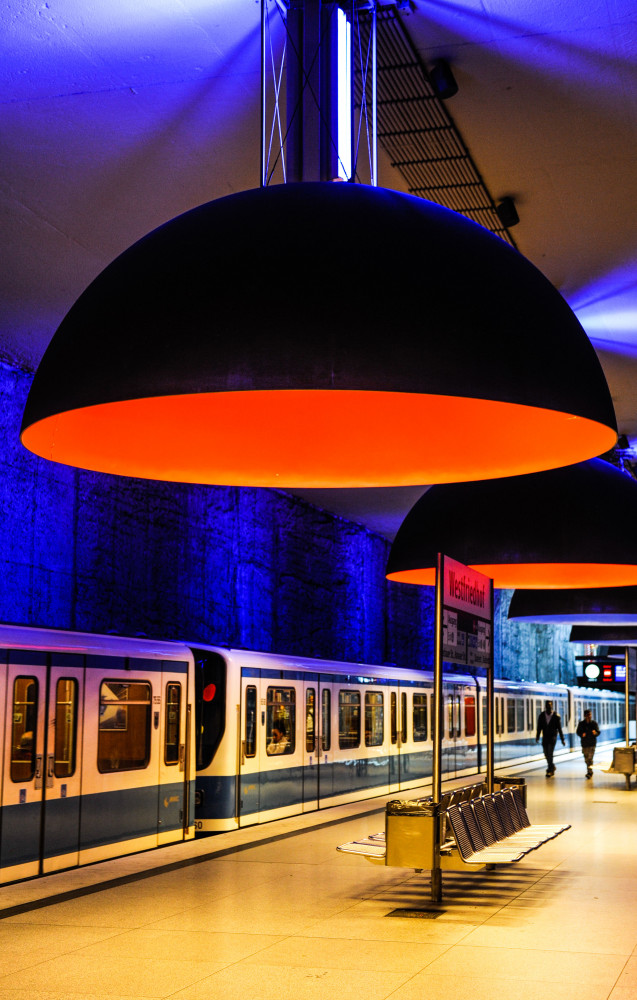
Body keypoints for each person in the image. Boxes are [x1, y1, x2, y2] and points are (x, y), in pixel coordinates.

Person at [536, 699, 565, 776]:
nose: (549, 707)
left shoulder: (556, 716)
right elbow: (539, 727)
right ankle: (552, 766)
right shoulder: (542, 716)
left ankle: (550, 770)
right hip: (545, 737)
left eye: (550, 705)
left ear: (552, 706)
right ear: (545, 706)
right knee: (546, 753)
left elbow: (559, 728)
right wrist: (537, 736)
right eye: (547, 705)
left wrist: (562, 739)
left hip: (553, 737)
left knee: (550, 753)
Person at [576, 709, 600, 778]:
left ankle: (589, 772)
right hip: (584, 743)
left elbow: (598, 732)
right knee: (586, 759)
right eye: (587, 715)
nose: (589, 716)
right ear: (584, 716)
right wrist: (582, 734)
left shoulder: (594, 723)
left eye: (590, 715)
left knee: (590, 758)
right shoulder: (581, 724)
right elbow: (578, 732)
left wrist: (595, 733)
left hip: (592, 743)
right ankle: (589, 770)